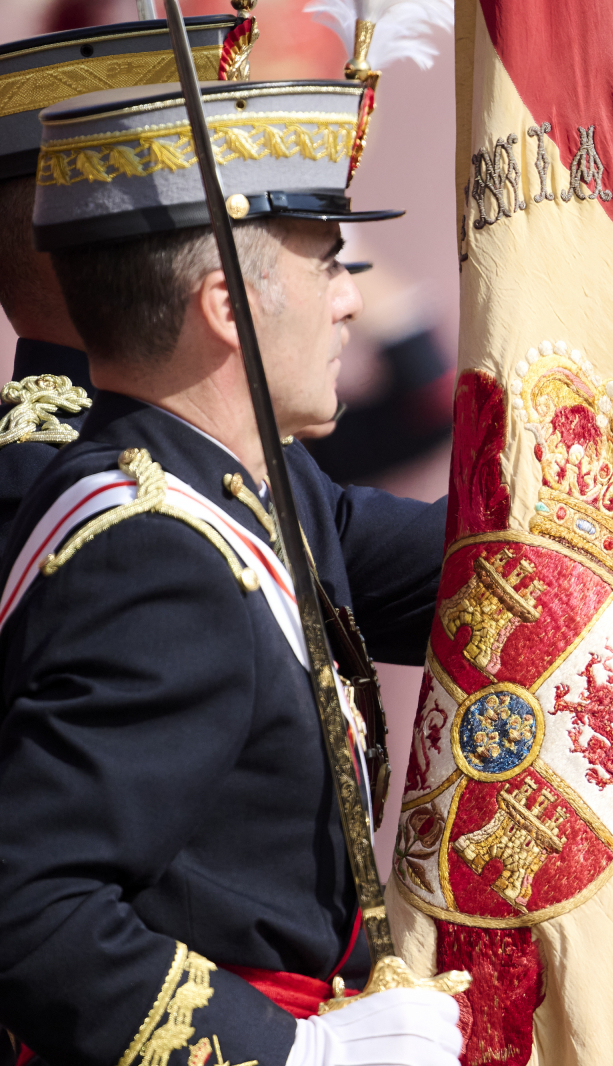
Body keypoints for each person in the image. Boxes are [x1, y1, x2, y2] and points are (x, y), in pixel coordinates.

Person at [0, 79, 460, 1066]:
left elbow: (473, 574)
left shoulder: (254, 482)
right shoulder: (152, 550)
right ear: (227, 308)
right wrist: (295, 1056)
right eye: (330, 265)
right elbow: (29, 904)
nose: (350, 300)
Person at [0, 13, 244, 542]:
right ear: (79, 254)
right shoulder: (36, 471)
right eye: (182, 223)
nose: (233, 252)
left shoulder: (230, 437)